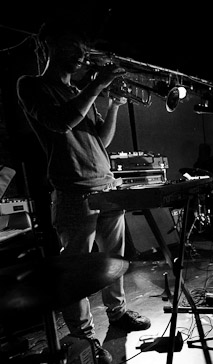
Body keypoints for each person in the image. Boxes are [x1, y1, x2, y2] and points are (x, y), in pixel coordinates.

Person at [16, 19, 150, 364]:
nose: (79, 54)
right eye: (70, 46)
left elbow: (100, 142)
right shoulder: (32, 86)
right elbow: (60, 124)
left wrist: (115, 104)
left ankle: (118, 313)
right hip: (75, 191)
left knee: (116, 260)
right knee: (76, 271)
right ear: (48, 47)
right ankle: (82, 337)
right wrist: (96, 86)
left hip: (106, 186)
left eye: (82, 49)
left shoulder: (78, 94)